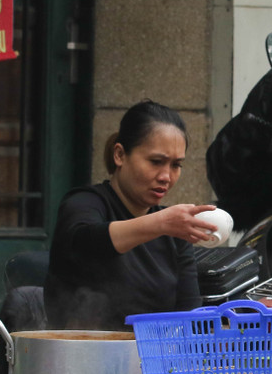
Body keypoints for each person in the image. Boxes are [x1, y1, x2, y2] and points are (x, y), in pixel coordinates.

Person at [44, 101, 219, 331]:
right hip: (81, 355)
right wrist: (161, 223)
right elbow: (84, 242)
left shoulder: (174, 232)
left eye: (176, 165)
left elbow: (190, 315)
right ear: (120, 155)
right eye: (156, 162)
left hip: (154, 360)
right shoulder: (85, 203)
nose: (166, 176)